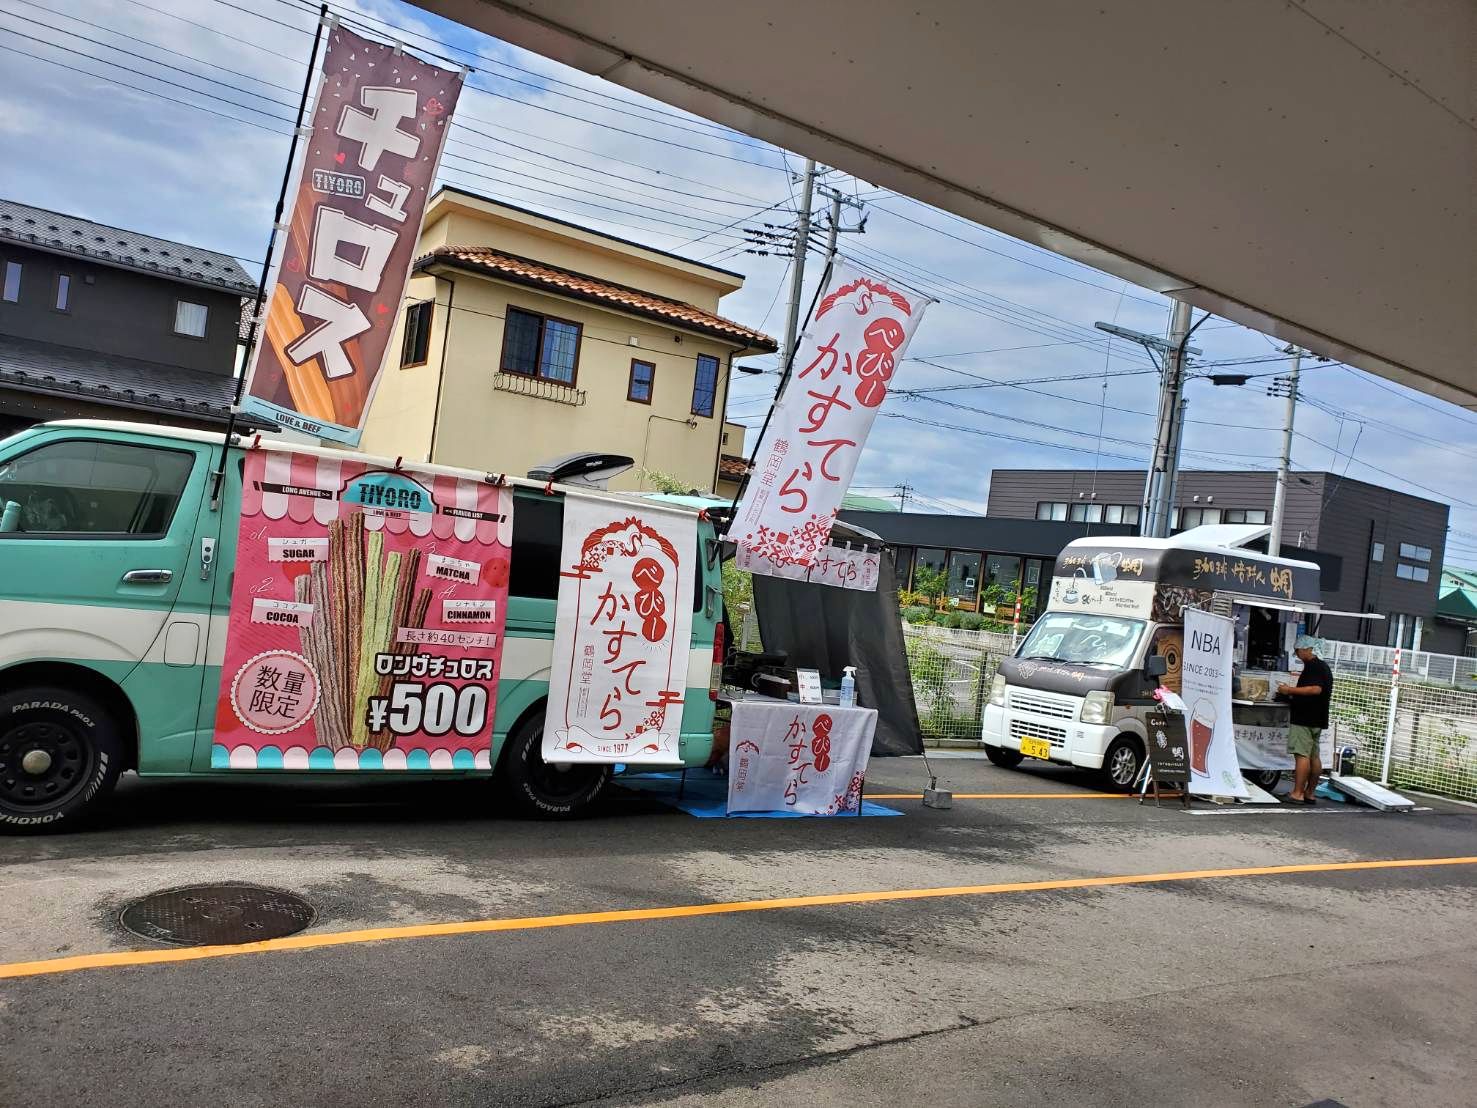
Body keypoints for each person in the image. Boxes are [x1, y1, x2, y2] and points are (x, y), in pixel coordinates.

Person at [1277, 634, 1333, 804]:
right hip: (1318, 718)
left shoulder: (1313, 666)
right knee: (1314, 756)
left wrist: (1289, 690)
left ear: (1307, 649)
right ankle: (1310, 793)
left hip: (1304, 718)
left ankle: (1297, 793)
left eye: (1298, 650)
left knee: (1302, 755)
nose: (1297, 654)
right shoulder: (1324, 667)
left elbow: (1316, 689)